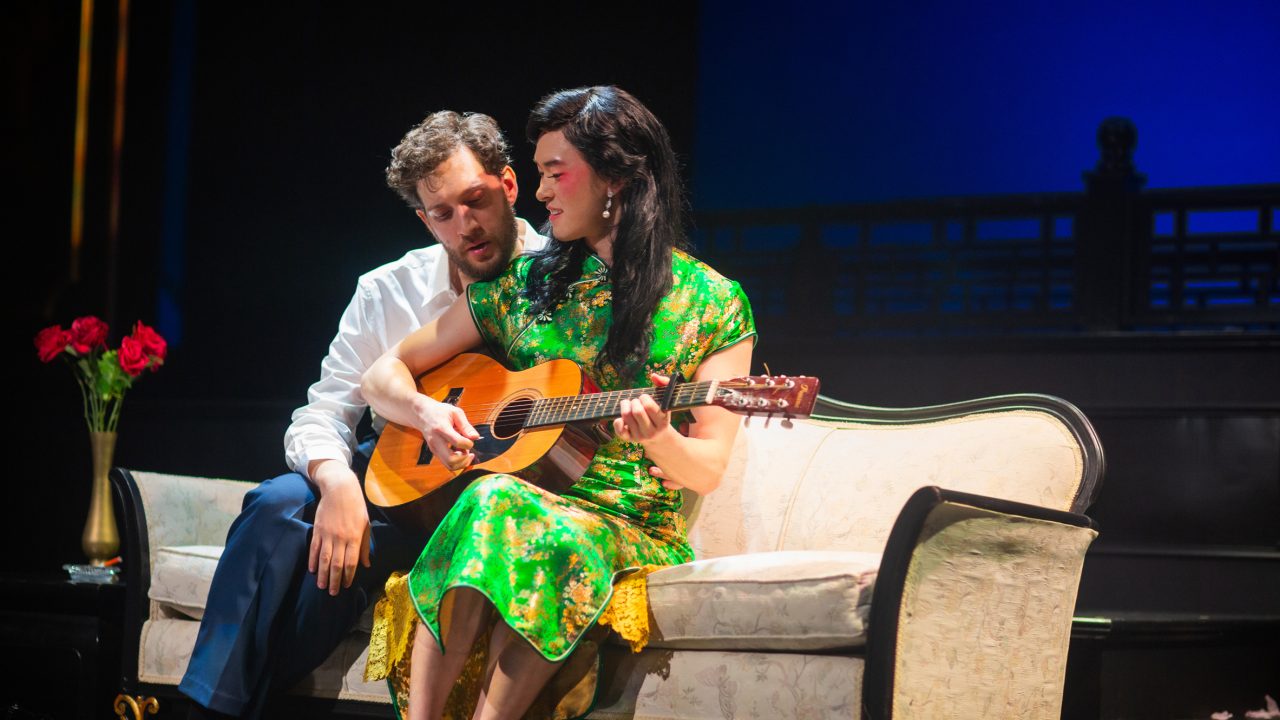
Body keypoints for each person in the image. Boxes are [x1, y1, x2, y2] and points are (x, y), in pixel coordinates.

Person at [361, 86, 755, 720]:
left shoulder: (711, 302)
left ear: (615, 178)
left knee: (500, 502)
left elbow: (708, 466)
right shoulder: (525, 286)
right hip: (522, 496)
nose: (539, 194)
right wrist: (426, 412)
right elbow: (384, 374)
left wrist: (657, 436)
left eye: (553, 173)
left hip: (629, 524)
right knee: (495, 497)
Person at [179, 111, 548, 719]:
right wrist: (338, 483)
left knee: (320, 582)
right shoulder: (388, 289)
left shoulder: (563, 280)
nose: (466, 226)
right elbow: (322, 412)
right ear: (423, 219)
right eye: (442, 214)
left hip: (477, 509)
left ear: (509, 186)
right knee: (278, 506)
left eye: (475, 200)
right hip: (392, 482)